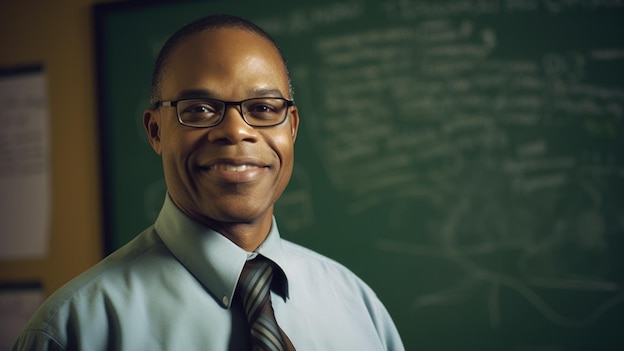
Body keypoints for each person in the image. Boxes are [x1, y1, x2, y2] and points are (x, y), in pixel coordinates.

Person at [12, 14, 404, 351]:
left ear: (292, 127)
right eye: (199, 109)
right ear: (155, 131)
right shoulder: (73, 330)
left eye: (263, 108)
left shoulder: (358, 307)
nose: (236, 131)